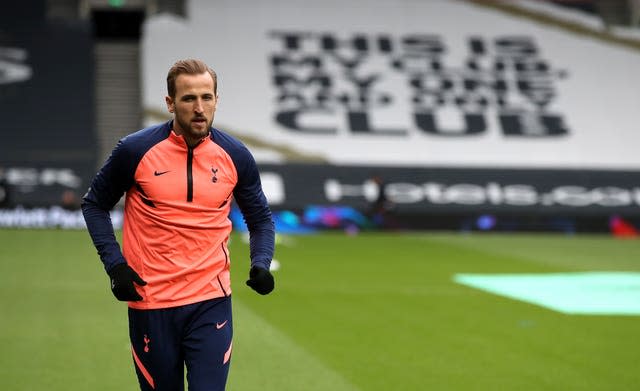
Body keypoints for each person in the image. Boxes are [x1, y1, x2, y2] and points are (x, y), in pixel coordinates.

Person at [81, 58, 275, 391]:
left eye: (207, 97)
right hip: (151, 303)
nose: (200, 108)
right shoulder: (135, 150)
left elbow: (260, 220)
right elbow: (94, 204)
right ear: (170, 103)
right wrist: (116, 266)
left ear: (216, 99)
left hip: (211, 301)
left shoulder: (236, 155)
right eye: (189, 99)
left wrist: (261, 262)